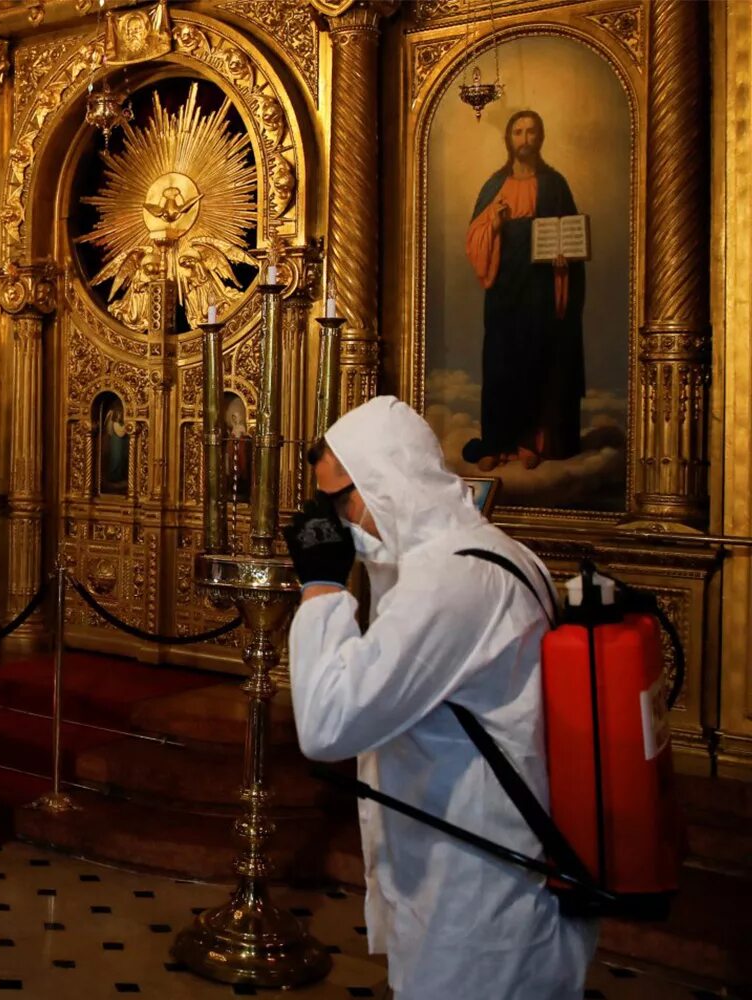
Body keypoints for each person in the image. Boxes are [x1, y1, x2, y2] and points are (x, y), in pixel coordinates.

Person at [284, 397, 597, 999]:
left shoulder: (452, 583)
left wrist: (321, 585)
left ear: (388, 481)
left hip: (480, 898)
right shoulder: (490, 553)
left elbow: (328, 724)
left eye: (340, 499)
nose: (338, 519)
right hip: (478, 870)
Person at [463, 109, 586, 471]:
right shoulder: (493, 185)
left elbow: (570, 234)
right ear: (509, 139)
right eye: (518, 132)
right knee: (500, 361)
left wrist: (565, 260)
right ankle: (498, 441)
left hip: (541, 284)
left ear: (541, 137)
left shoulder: (554, 184)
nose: (525, 139)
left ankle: (531, 440)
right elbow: (475, 239)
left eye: (532, 132)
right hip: (504, 285)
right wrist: (495, 225)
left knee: (537, 358)